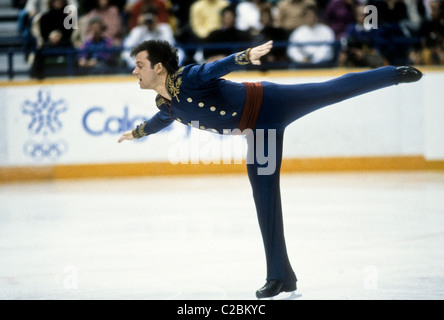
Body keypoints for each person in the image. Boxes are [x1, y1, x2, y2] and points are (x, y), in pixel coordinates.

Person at [117, 39, 422, 299]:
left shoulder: (188, 78)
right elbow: (161, 121)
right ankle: (281, 277)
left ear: (158, 68)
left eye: (139, 65)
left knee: (329, 90)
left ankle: (392, 74)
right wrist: (139, 132)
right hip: (258, 133)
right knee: (265, 201)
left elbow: (214, 69)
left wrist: (244, 57)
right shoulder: (164, 103)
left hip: (271, 102)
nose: (135, 71)